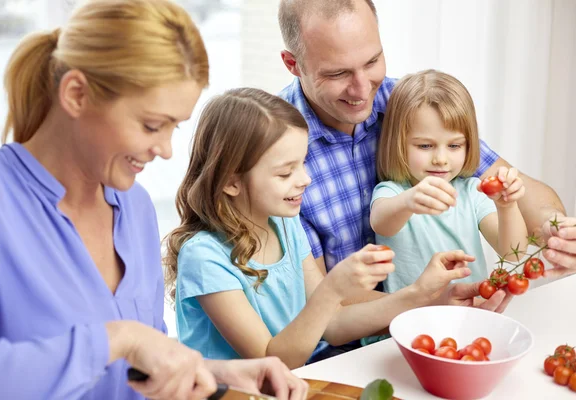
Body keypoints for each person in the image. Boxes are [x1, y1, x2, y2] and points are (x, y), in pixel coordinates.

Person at [0, 1, 308, 399]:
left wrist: (218, 373)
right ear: (77, 94)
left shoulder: (134, 207)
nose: (166, 150)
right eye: (152, 125)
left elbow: (135, 371)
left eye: (174, 127)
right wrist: (118, 338)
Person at [277, 0, 576, 356]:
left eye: (372, 61)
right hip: (349, 348)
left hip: (457, 325)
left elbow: (523, 196)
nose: (361, 90)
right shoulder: (277, 148)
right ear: (293, 64)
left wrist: (553, 229)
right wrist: (428, 303)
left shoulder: (409, 103)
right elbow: (327, 302)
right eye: (338, 74)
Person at [166, 87, 479, 369]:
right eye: (285, 172)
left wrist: (423, 296)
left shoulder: (285, 226)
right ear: (231, 182)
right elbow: (273, 361)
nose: (304, 179)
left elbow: (334, 324)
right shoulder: (204, 257)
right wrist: (333, 289)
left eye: (302, 163)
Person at [361, 70, 528, 345]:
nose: (440, 159)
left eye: (454, 145)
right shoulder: (393, 192)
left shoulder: (472, 192)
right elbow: (381, 222)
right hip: (409, 330)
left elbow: (514, 253)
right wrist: (410, 201)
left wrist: (507, 207)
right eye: (425, 145)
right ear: (398, 144)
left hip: (466, 326)